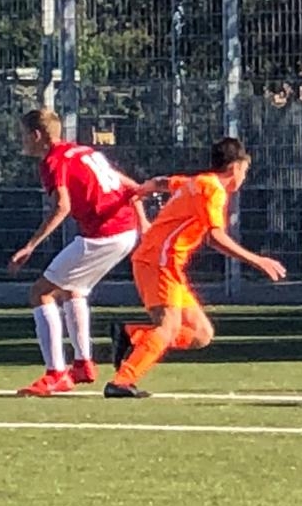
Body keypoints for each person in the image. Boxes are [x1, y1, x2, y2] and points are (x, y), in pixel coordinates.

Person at [106, 137, 286, 398]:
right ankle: (121, 382)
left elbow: (162, 182)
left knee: (201, 334)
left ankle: (131, 335)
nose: (244, 177)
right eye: (245, 170)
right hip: (159, 261)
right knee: (168, 328)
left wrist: (140, 192)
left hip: (165, 263)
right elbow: (214, 236)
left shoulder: (197, 182)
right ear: (235, 167)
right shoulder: (212, 189)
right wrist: (257, 260)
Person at [8, 108, 145, 397]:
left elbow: (62, 206)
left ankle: (55, 374)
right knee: (73, 290)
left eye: (24, 135)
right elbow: (132, 187)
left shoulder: (53, 161)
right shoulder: (84, 152)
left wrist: (31, 245)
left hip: (105, 235)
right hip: (124, 231)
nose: (23, 141)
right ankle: (83, 364)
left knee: (41, 293)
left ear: (37, 135)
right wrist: (143, 223)